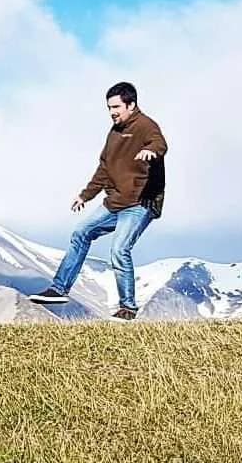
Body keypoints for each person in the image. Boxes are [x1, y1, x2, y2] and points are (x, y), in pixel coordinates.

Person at [30, 82, 168, 320]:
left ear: (131, 105)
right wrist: (85, 195)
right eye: (109, 107)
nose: (112, 112)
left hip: (139, 203)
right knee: (80, 232)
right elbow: (104, 169)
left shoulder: (146, 126)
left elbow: (160, 144)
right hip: (114, 202)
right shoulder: (114, 133)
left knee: (119, 249)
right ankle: (59, 289)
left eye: (116, 107)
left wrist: (151, 151)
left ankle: (127, 308)